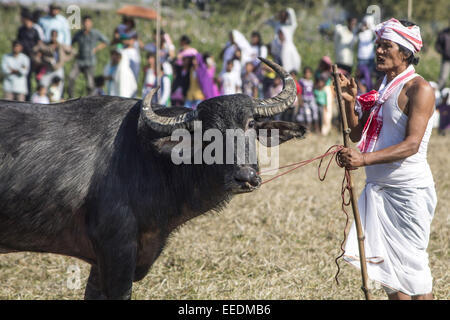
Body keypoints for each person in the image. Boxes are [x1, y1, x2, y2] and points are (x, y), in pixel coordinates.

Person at [338, 18, 437, 300]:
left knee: (414, 275)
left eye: (386, 46)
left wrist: (363, 160)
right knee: (391, 278)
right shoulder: (384, 88)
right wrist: (348, 102)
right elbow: (357, 134)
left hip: (408, 193)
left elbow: (411, 145)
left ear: (405, 52)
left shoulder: (420, 89)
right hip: (379, 191)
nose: (379, 51)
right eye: (378, 45)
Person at [68, 15, 109, 98]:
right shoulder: (79, 34)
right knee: (71, 77)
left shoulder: (95, 33)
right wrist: (74, 52)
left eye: (88, 22)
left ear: (91, 23)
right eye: (85, 22)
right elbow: (70, 44)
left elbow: (106, 41)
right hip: (80, 60)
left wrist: (96, 48)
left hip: (90, 61)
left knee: (90, 84)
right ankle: (71, 98)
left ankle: (90, 99)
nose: (86, 24)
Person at [32, 29, 74, 95]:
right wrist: (40, 60)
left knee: (58, 87)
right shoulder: (45, 45)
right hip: (48, 68)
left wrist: (65, 59)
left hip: (58, 68)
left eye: (55, 36)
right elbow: (35, 50)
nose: (53, 37)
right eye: (52, 36)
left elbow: (72, 51)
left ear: (57, 36)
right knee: (43, 84)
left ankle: (57, 101)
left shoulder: (61, 46)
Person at [17, 10, 41, 100]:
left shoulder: (35, 30)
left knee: (36, 77)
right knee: (26, 78)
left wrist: (38, 54)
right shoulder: (21, 30)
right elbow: (18, 42)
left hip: (33, 57)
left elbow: (39, 43)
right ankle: (28, 97)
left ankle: (39, 96)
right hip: (24, 57)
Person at [357, 15, 376, 91]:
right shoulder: (361, 32)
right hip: (361, 59)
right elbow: (356, 35)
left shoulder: (371, 32)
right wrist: (362, 29)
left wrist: (370, 26)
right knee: (361, 78)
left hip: (370, 59)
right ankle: (361, 94)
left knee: (369, 78)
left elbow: (376, 33)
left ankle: (369, 93)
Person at [297, 67, 318, 131]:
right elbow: (299, 92)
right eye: (306, 73)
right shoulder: (301, 81)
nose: (307, 74)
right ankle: (306, 129)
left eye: (309, 73)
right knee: (306, 114)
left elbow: (312, 91)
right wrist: (300, 101)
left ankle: (316, 128)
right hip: (304, 100)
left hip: (311, 99)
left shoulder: (311, 82)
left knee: (314, 112)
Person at [435, 25, 450, 89]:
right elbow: (437, 46)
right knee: (443, 77)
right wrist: (444, 53)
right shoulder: (444, 32)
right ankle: (439, 94)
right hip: (446, 59)